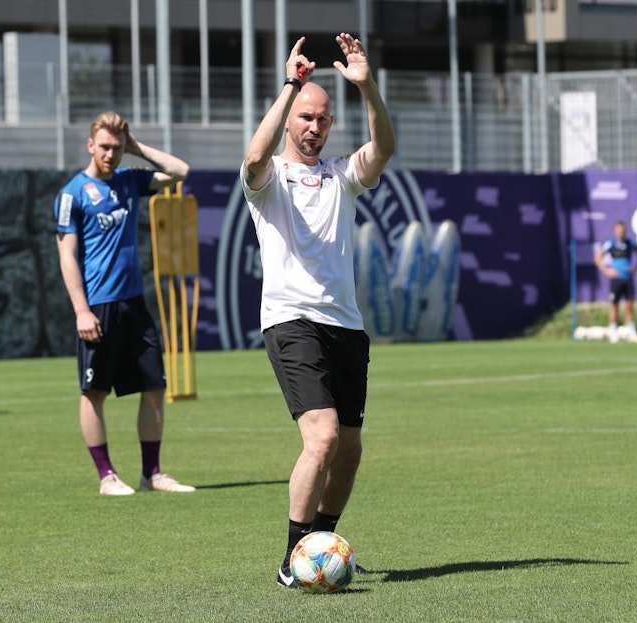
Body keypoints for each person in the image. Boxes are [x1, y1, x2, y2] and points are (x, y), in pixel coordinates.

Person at [240, 33, 396, 587]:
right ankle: (292, 558)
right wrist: (291, 85)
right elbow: (254, 156)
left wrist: (366, 85)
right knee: (323, 438)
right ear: (289, 119)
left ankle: (323, 543)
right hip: (291, 321)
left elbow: (383, 150)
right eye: (306, 117)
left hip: (346, 327)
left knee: (349, 451)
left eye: (323, 120)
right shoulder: (268, 181)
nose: (314, 126)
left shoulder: (340, 176)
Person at [54, 111, 195, 496]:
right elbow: (67, 256)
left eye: (117, 147)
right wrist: (81, 310)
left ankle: (152, 473)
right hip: (98, 306)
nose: (111, 154)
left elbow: (180, 170)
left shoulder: (130, 181)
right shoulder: (72, 194)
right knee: (94, 392)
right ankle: (107, 476)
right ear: (89, 145)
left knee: (154, 386)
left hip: (135, 304)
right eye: (105, 146)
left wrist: (136, 147)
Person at [594, 220, 637, 343]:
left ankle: (632, 332)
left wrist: (636, 267)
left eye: (623, 230)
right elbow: (598, 258)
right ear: (615, 231)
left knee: (629, 306)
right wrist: (607, 270)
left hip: (628, 278)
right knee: (614, 305)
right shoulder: (610, 244)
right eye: (619, 230)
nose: (621, 232)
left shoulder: (630, 243)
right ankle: (612, 331)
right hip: (616, 279)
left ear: (625, 231)